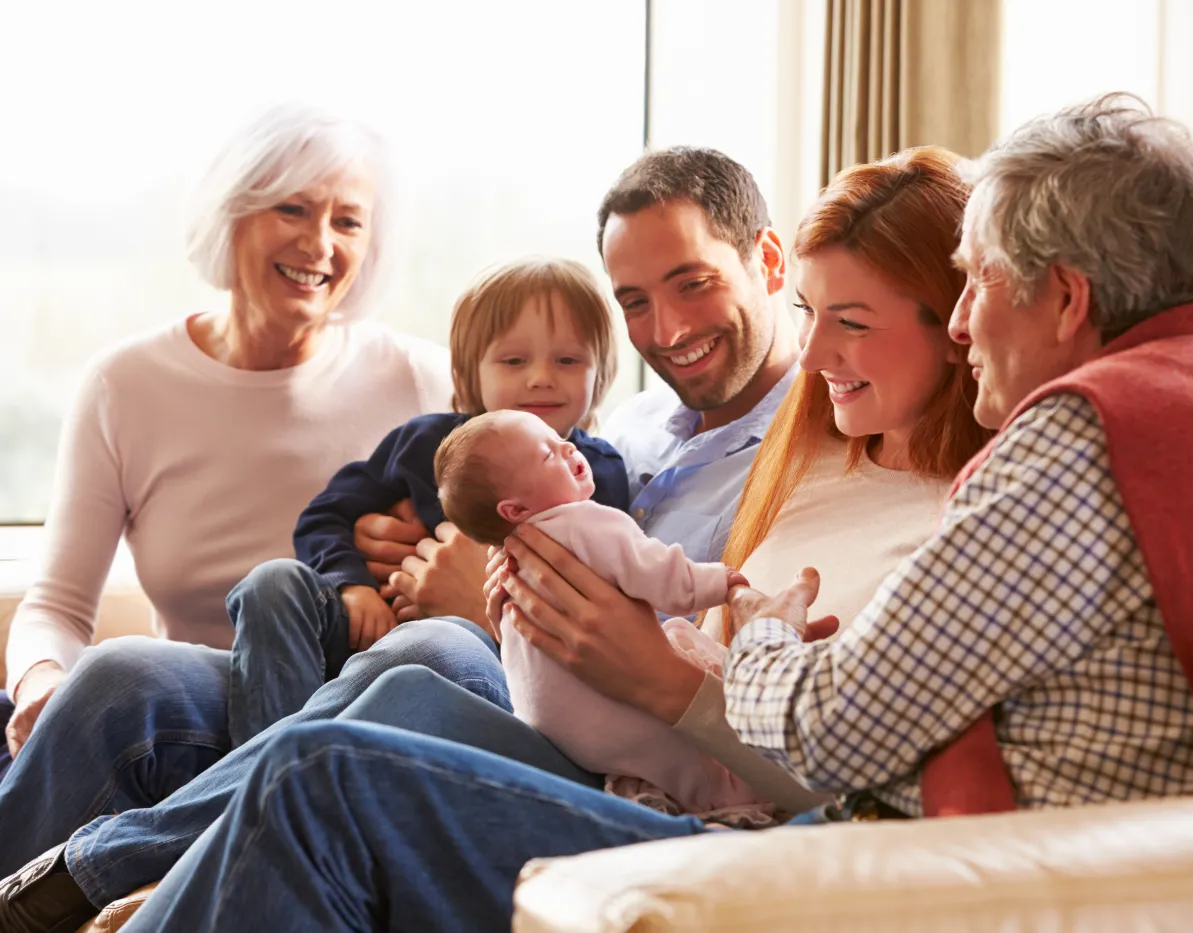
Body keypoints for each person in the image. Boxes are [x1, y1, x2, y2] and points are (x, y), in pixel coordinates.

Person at [111, 142, 1001, 932]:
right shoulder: (802, 453)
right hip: (621, 735)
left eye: (852, 322)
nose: (812, 354)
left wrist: (641, 672)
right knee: (153, 683)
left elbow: (855, 778)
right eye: (813, 315)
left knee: (356, 732)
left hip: (715, 804)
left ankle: (135, 874)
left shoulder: (962, 524)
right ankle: (109, 874)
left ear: (958, 320)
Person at [0, 145, 807, 931]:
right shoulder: (633, 423)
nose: (665, 328)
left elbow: (686, 647)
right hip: (410, 665)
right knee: (123, 676)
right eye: (633, 300)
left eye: (694, 282)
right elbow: (449, 479)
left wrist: (481, 603)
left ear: (770, 263)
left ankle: (131, 856)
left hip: (582, 719)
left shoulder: (807, 450)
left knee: (432, 652)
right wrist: (368, 557)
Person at [0, 103, 453, 772]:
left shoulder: (424, 380)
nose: (320, 243)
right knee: (112, 680)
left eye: (348, 221)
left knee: (122, 676)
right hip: (187, 722)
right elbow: (58, 608)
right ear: (231, 213)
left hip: (357, 716)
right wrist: (41, 681)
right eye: (293, 209)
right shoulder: (124, 384)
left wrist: (436, 557)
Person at [225, 258, 631, 748]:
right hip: (365, 628)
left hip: (475, 662)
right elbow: (326, 515)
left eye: (568, 361)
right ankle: (264, 761)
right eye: (513, 361)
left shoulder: (598, 471)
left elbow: (598, 588)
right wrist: (353, 587)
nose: (541, 378)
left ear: (601, 374)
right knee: (271, 582)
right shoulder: (426, 444)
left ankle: (285, 771)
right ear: (470, 372)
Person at [436, 409, 757, 815]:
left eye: (560, 439)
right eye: (547, 454)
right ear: (514, 510)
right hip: (613, 713)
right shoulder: (588, 523)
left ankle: (644, 794)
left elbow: (512, 638)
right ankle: (722, 799)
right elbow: (664, 578)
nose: (568, 448)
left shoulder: (508, 560)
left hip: (547, 725)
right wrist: (721, 582)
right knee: (677, 753)